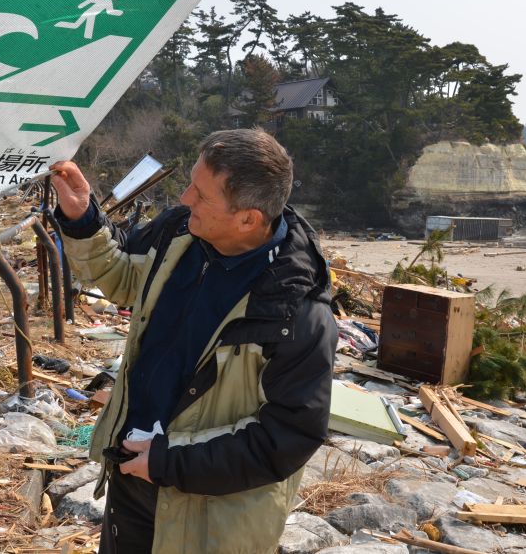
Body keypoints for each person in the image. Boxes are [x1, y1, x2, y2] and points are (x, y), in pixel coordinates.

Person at [51, 129, 337, 554]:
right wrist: (82, 220)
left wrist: (167, 461)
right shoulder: (179, 234)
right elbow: (126, 278)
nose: (185, 199)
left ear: (248, 219)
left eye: (201, 195)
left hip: (211, 514)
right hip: (131, 471)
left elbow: (287, 438)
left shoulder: (294, 313)